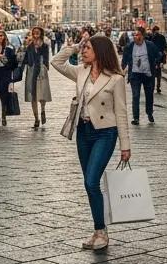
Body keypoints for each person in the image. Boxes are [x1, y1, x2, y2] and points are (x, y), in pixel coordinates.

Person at [51, 34, 131, 251]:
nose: (84, 51)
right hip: (83, 132)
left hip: (105, 133)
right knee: (90, 183)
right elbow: (56, 62)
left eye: (87, 48)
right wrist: (75, 46)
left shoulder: (115, 79)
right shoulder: (81, 72)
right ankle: (99, 230)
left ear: (100, 51)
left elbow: (121, 112)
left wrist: (125, 145)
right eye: (83, 48)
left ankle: (101, 232)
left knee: (91, 181)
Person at [122, 27, 163, 125]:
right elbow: (125, 59)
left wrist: (158, 62)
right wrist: (121, 70)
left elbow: (158, 54)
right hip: (135, 75)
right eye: (135, 35)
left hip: (148, 74)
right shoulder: (130, 46)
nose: (136, 37)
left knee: (149, 95)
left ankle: (149, 113)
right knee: (135, 95)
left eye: (138, 35)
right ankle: (136, 118)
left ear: (143, 36)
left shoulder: (150, 45)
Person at [21, 27, 51, 129]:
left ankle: (42, 109)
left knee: (42, 94)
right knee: (32, 96)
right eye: (34, 33)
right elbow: (25, 59)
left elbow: (46, 59)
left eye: (37, 33)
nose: (35, 35)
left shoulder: (45, 46)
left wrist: (45, 67)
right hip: (31, 71)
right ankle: (36, 119)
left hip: (41, 71)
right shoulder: (30, 46)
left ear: (41, 34)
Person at [150, 26, 166, 95]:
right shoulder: (152, 37)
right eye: (156, 30)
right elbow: (164, 47)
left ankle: (156, 87)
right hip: (156, 57)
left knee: (156, 73)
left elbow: (164, 47)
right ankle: (156, 87)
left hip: (156, 57)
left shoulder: (152, 37)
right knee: (156, 73)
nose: (157, 32)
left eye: (157, 30)